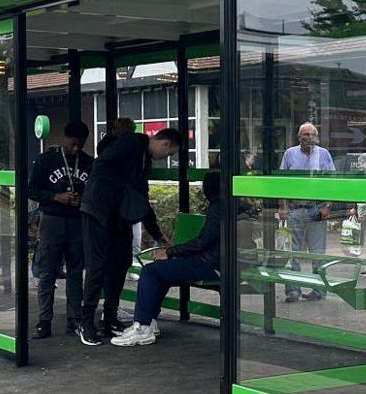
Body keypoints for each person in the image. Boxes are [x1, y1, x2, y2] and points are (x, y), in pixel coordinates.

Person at [75, 127, 180, 346]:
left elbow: (142, 200)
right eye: (169, 154)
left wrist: (157, 234)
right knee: (97, 265)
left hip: (118, 218)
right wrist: (125, 188)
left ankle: (109, 317)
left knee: (121, 263)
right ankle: (86, 322)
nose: (166, 158)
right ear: (164, 144)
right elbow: (101, 165)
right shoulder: (131, 143)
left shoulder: (145, 160)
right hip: (98, 211)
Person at [113, 172, 230, 347]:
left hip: (212, 264)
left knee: (151, 271)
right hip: (219, 261)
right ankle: (147, 321)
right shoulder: (231, 204)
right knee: (162, 271)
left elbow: (203, 242)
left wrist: (171, 252)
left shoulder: (218, 207)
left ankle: (143, 326)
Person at [29, 120, 93, 338]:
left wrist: (82, 200)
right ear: (65, 138)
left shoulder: (87, 162)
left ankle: (74, 319)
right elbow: (32, 189)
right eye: (73, 144)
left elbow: (94, 192)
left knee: (76, 272)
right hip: (52, 220)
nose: (76, 149)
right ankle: (44, 320)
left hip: (77, 222)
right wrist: (56, 197)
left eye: (80, 145)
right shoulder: (46, 160)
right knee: (48, 272)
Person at [278, 122, 335, 301]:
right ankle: (293, 292)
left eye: (312, 134)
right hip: (295, 210)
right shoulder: (290, 154)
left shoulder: (323, 154)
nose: (309, 138)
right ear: (299, 137)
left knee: (318, 252)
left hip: (317, 209)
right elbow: (282, 182)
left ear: (316, 137)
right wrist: (282, 207)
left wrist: (328, 205)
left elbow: (331, 182)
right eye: (305, 134)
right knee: (291, 254)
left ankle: (318, 291)